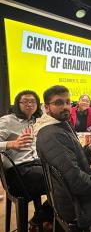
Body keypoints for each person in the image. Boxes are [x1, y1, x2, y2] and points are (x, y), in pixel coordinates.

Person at [35, 85, 91, 231]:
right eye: (58, 103)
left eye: (68, 102)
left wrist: (90, 149)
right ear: (46, 107)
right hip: (77, 206)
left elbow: (72, 162)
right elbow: (77, 182)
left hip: (70, 197)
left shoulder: (58, 125)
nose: (65, 106)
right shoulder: (52, 135)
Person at [0, 90, 53, 226]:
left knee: (65, 173)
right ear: (18, 104)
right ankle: (45, 219)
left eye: (33, 101)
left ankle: (43, 217)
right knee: (60, 180)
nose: (29, 105)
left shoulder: (37, 121)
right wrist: (11, 144)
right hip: (17, 171)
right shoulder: (7, 121)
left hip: (37, 165)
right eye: (25, 101)